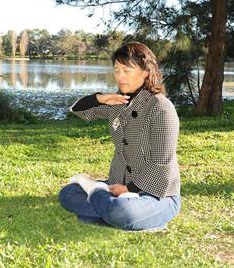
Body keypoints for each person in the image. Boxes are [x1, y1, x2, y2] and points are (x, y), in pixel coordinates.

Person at [59, 41, 181, 231]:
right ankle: (114, 210)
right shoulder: (117, 102)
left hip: (156, 194)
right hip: (116, 187)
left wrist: (129, 190)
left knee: (123, 211)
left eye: (127, 70)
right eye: (117, 70)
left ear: (145, 72)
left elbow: (161, 162)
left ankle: (101, 199)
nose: (120, 77)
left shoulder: (160, 107)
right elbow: (78, 110)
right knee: (67, 194)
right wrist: (100, 98)